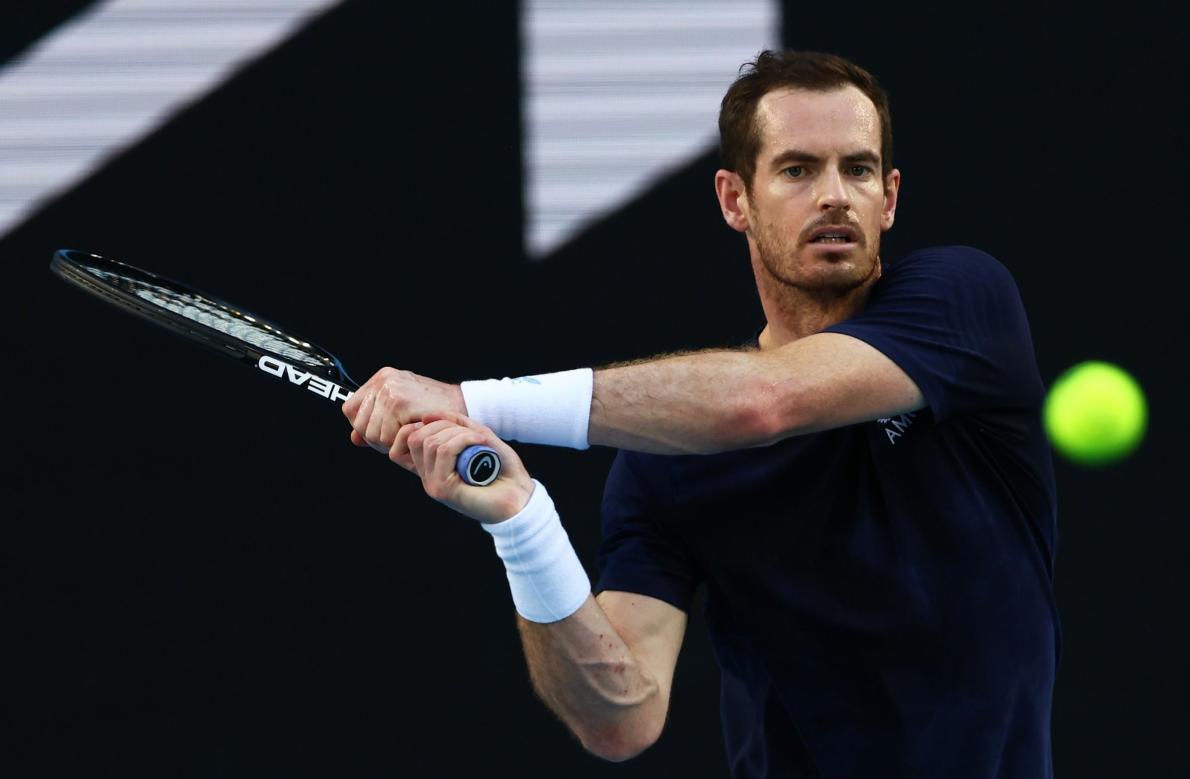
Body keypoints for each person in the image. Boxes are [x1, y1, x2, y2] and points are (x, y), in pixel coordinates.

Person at [342, 50, 1059, 778]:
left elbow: (762, 401)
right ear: (733, 199)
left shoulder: (965, 299)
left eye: (859, 169)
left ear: (891, 197)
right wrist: (522, 525)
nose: (835, 195)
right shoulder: (667, 463)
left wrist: (472, 400)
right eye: (797, 169)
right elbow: (620, 718)